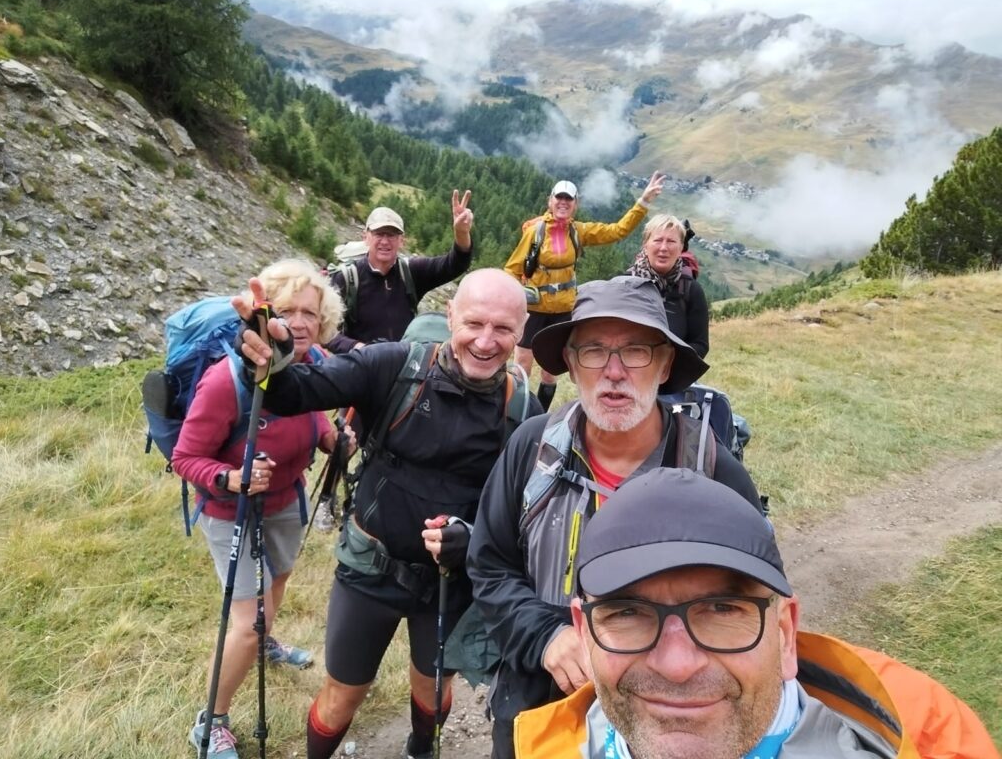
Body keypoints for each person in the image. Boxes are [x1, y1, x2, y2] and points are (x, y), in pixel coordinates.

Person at [235, 268, 543, 759]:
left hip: (449, 582)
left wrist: (476, 538)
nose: (486, 342)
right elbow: (295, 391)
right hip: (369, 571)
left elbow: (522, 513)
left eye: (503, 329)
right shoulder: (392, 366)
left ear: (521, 332)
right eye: (474, 323)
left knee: (432, 690)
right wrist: (268, 360)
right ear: (450, 317)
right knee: (342, 697)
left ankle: (421, 750)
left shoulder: (522, 408)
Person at [467, 274, 761, 759]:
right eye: (594, 351)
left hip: (665, 714)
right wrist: (547, 636)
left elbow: (752, 604)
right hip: (539, 700)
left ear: (665, 364)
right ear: (570, 363)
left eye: (637, 351)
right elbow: (489, 563)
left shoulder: (712, 472)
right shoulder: (532, 449)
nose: (615, 371)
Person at [512, 468, 1001, 759]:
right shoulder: (549, 746)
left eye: (723, 609)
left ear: (786, 634)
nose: (678, 665)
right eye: (629, 613)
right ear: (585, 633)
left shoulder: (940, 743)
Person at [172, 259, 356, 759]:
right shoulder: (224, 379)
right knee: (249, 621)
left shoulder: (313, 359)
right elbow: (184, 458)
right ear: (263, 313)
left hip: (286, 500)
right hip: (233, 511)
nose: (299, 322)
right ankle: (210, 721)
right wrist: (230, 478)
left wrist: (329, 439)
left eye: (310, 313)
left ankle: (266, 642)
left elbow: (312, 411)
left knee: (276, 583)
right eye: (288, 310)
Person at [504, 173, 665, 410]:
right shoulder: (534, 232)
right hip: (534, 309)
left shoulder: (578, 232)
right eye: (559, 198)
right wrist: (512, 299)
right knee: (522, 367)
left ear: (575, 205)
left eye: (568, 199)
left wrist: (643, 202)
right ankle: (514, 414)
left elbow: (617, 231)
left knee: (550, 372)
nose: (563, 203)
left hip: (563, 311)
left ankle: (538, 415)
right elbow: (512, 269)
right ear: (550, 201)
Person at [326, 191, 474, 353]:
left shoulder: (410, 272)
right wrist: (359, 349)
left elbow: (455, 264)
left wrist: (461, 233)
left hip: (401, 369)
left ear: (401, 241)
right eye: (378, 234)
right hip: (359, 369)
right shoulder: (346, 278)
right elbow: (326, 331)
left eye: (392, 235)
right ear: (365, 237)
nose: (385, 241)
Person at [627, 214, 709, 359]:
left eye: (671, 241)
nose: (664, 248)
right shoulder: (625, 285)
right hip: (628, 373)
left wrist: (664, 359)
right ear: (646, 245)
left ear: (681, 248)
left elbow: (700, 345)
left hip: (673, 376)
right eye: (658, 240)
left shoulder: (691, 290)